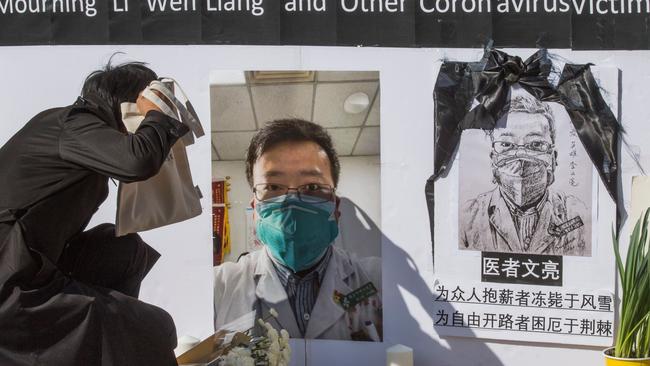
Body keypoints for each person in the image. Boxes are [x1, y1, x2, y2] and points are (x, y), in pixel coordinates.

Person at [0, 61, 188, 365]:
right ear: (129, 105)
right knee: (153, 327)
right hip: (11, 283)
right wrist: (157, 114)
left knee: (124, 249)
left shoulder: (78, 132)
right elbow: (137, 161)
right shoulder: (72, 123)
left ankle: (109, 332)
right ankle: (113, 327)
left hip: (30, 263)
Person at [213, 119, 382, 341]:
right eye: (273, 187)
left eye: (312, 187)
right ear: (255, 210)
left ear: (336, 208)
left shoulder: (380, 279)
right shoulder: (219, 287)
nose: (291, 202)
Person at [460, 93, 588, 256]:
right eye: (506, 144)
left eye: (535, 144)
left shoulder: (578, 214)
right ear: (493, 159)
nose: (520, 157)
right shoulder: (468, 218)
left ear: (553, 158)